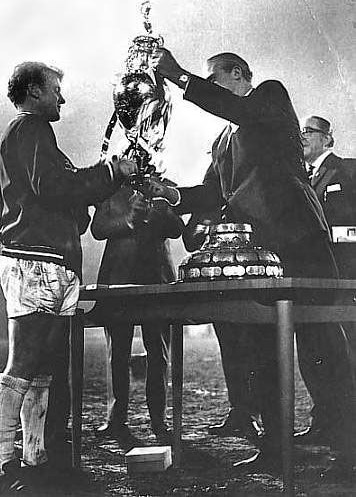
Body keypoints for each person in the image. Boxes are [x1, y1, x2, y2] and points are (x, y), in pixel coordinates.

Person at [148, 48, 356, 479]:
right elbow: (213, 195)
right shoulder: (223, 140)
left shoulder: (270, 97)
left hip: (300, 240)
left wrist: (180, 78)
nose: (211, 85)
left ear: (238, 75)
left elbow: (232, 107)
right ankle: (275, 445)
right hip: (261, 251)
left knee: (321, 345)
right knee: (261, 348)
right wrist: (170, 194)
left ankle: (348, 442)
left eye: (215, 78)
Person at [0, 61, 136, 494]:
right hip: (35, 261)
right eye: (56, 90)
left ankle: (34, 459)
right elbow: (55, 189)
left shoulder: (33, 138)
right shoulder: (30, 129)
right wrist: (110, 173)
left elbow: (64, 199)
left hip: (54, 261)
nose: (62, 98)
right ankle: (2, 464)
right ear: (34, 92)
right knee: (23, 367)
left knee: (42, 371)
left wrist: (96, 182)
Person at [89, 184, 184, 448]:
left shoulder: (160, 192)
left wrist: (161, 203)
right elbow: (97, 230)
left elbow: (177, 230)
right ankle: (116, 420)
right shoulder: (110, 191)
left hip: (156, 280)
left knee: (159, 353)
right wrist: (129, 221)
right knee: (117, 353)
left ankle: (159, 422)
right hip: (119, 281)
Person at [295, 115, 356, 445]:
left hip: (344, 275)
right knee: (314, 352)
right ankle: (325, 420)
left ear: (327, 139)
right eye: (300, 131)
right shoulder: (298, 177)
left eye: (309, 131)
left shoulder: (347, 170)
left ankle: (347, 431)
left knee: (348, 353)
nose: (302, 136)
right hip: (312, 278)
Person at [182, 209, 263, 439]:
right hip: (220, 289)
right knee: (230, 352)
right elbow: (191, 240)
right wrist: (207, 225)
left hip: (252, 287)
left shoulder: (250, 193)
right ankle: (240, 411)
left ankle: (255, 414)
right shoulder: (211, 201)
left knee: (253, 352)